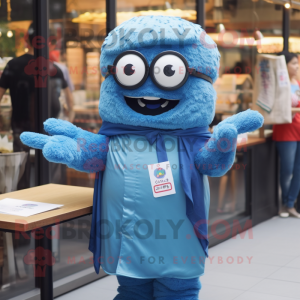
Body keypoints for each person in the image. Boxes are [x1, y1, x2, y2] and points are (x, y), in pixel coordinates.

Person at [0, 23, 73, 189]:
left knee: (22, 171)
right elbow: (70, 102)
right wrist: (69, 118)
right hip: (50, 130)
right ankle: (53, 199)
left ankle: (24, 201)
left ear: (28, 40)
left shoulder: (14, 65)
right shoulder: (54, 68)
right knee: (51, 169)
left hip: (21, 128)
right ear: (48, 43)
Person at [273, 51, 300, 218]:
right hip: (285, 131)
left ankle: (291, 204)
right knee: (287, 169)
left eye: (297, 63)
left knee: (298, 169)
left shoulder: (297, 82)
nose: (297, 66)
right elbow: (277, 108)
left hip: (298, 129)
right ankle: (283, 203)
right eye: (294, 63)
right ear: (285, 65)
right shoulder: (280, 84)